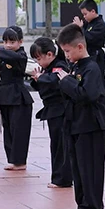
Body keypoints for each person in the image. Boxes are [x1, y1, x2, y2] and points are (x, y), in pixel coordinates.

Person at [55, 24, 105, 209]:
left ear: (80, 47)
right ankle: (83, 203)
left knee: (90, 167)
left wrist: (66, 81)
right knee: (78, 166)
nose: (66, 55)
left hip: (92, 126)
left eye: (68, 51)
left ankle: (93, 205)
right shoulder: (75, 67)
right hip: (76, 123)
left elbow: (87, 95)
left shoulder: (92, 68)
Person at [0, 26, 33, 171]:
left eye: (12, 42)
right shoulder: (4, 54)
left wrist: (0, 51)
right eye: (5, 42)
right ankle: (12, 159)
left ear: (20, 42)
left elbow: (14, 58)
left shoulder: (20, 56)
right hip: (5, 94)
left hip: (18, 96)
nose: (8, 45)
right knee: (7, 128)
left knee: (18, 129)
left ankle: (20, 161)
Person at [29, 37, 72, 188]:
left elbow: (54, 81)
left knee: (61, 145)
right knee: (56, 144)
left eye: (39, 58)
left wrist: (42, 78)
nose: (38, 62)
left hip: (61, 110)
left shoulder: (59, 66)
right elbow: (44, 83)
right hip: (53, 110)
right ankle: (58, 177)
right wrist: (37, 79)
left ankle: (63, 179)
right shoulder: (48, 68)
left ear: (49, 54)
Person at [72, 0, 105, 69]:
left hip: (96, 56)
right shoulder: (87, 23)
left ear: (93, 11)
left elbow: (89, 38)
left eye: (85, 14)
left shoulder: (100, 24)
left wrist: (80, 28)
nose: (84, 16)